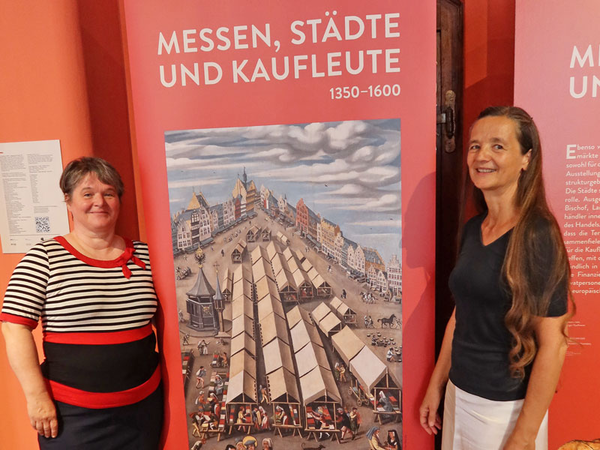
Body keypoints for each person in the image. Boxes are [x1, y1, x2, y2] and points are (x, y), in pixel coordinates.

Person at [419, 107, 573, 450]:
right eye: (474, 146)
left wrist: (523, 437)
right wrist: (437, 384)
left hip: (504, 411)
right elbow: (461, 316)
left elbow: (554, 344)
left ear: (526, 159)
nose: (481, 155)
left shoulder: (537, 235)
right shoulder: (474, 229)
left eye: (497, 146)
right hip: (460, 396)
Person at [0, 157, 163, 449]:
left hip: (143, 409)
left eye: (109, 193)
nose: (99, 202)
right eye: (87, 194)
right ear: (69, 201)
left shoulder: (148, 256)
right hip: (72, 415)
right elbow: (14, 327)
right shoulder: (45, 257)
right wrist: (37, 397)